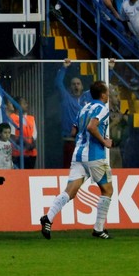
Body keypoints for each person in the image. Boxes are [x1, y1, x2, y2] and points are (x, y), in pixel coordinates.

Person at [40, 81, 113, 240]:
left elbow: (74, 131)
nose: (108, 95)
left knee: (70, 191)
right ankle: (98, 229)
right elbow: (91, 127)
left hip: (78, 154)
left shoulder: (84, 108)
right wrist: (104, 141)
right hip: (94, 155)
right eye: (107, 92)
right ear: (102, 95)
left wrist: (93, 136)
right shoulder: (102, 108)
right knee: (107, 190)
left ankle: (49, 217)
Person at [8, 96, 38, 169]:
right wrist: (25, 144)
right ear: (17, 105)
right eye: (24, 103)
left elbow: (34, 134)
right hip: (18, 154)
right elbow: (11, 135)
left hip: (31, 153)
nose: (26, 105)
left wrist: (31, 145)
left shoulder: (31, 118)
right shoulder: (11, 118)